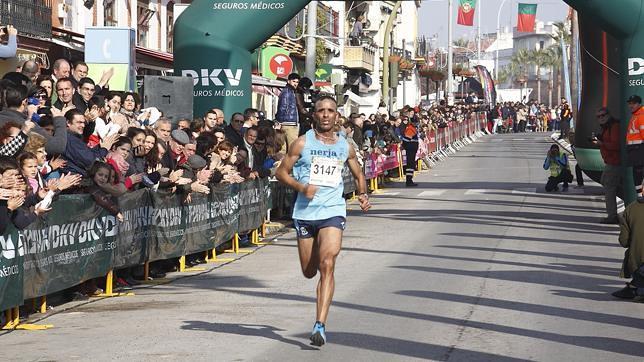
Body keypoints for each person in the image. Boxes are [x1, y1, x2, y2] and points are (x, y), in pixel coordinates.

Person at [275, 95, 370, 347]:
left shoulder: (345, 146)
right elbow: (280, 172)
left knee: (328, 263)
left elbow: (358, 173)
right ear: (314, 115)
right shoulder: (301, 143)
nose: (326, 114)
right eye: (321, 111)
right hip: (305, 213)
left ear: (337, 115)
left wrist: (362, 195)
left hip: (333, 210)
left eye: (330, 110)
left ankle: (320, 324)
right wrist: (300, 186)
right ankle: (315, 253)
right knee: (309, 271)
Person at [613, 181, 644, 299]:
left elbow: (624, 241)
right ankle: (636, 288)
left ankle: (636, 287)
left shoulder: (630, 209)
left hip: (637, 264)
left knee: (632, 254)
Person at [592, 107, 622, 224]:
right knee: (605, 181)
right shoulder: (607, 127)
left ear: (608, 115)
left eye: (603, 115)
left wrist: (601, 143)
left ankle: (612, 215)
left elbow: (616, 145)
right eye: (598, 116)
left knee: (609, 187)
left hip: (614, 161)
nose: (601, 118)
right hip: (610, 161)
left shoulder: (614, 127)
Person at [276, 73, 300, 151]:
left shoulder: (288, 91)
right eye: (294, 81)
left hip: (286, 123)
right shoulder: (287, 92)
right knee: (292, 149)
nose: (295, 84)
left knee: (283, 149)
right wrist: (280, 121)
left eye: (297, 82)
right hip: (289, 124)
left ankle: (281, 163)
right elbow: (282, 107)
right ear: (288, 81)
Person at [626, 95, 644, 196]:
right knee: (637, 173)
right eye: (630, 103)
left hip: (639, 149)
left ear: (639, 104)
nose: (631, 105)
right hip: (635, 150)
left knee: (638, 172)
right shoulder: (635, 115)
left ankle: (640, 194)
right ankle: (639, 194)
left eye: (633, 103)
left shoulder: (641, 115)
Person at [401, 116, 419, 187]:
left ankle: (410, 180)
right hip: (410, 149)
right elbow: (406, 140)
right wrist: (407, 147)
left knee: (411, 165)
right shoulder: (410, 129)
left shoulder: (413, 128)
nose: (415, 123)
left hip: (412, 149)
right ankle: (409, 181)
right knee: (410, 165)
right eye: (414, 122)